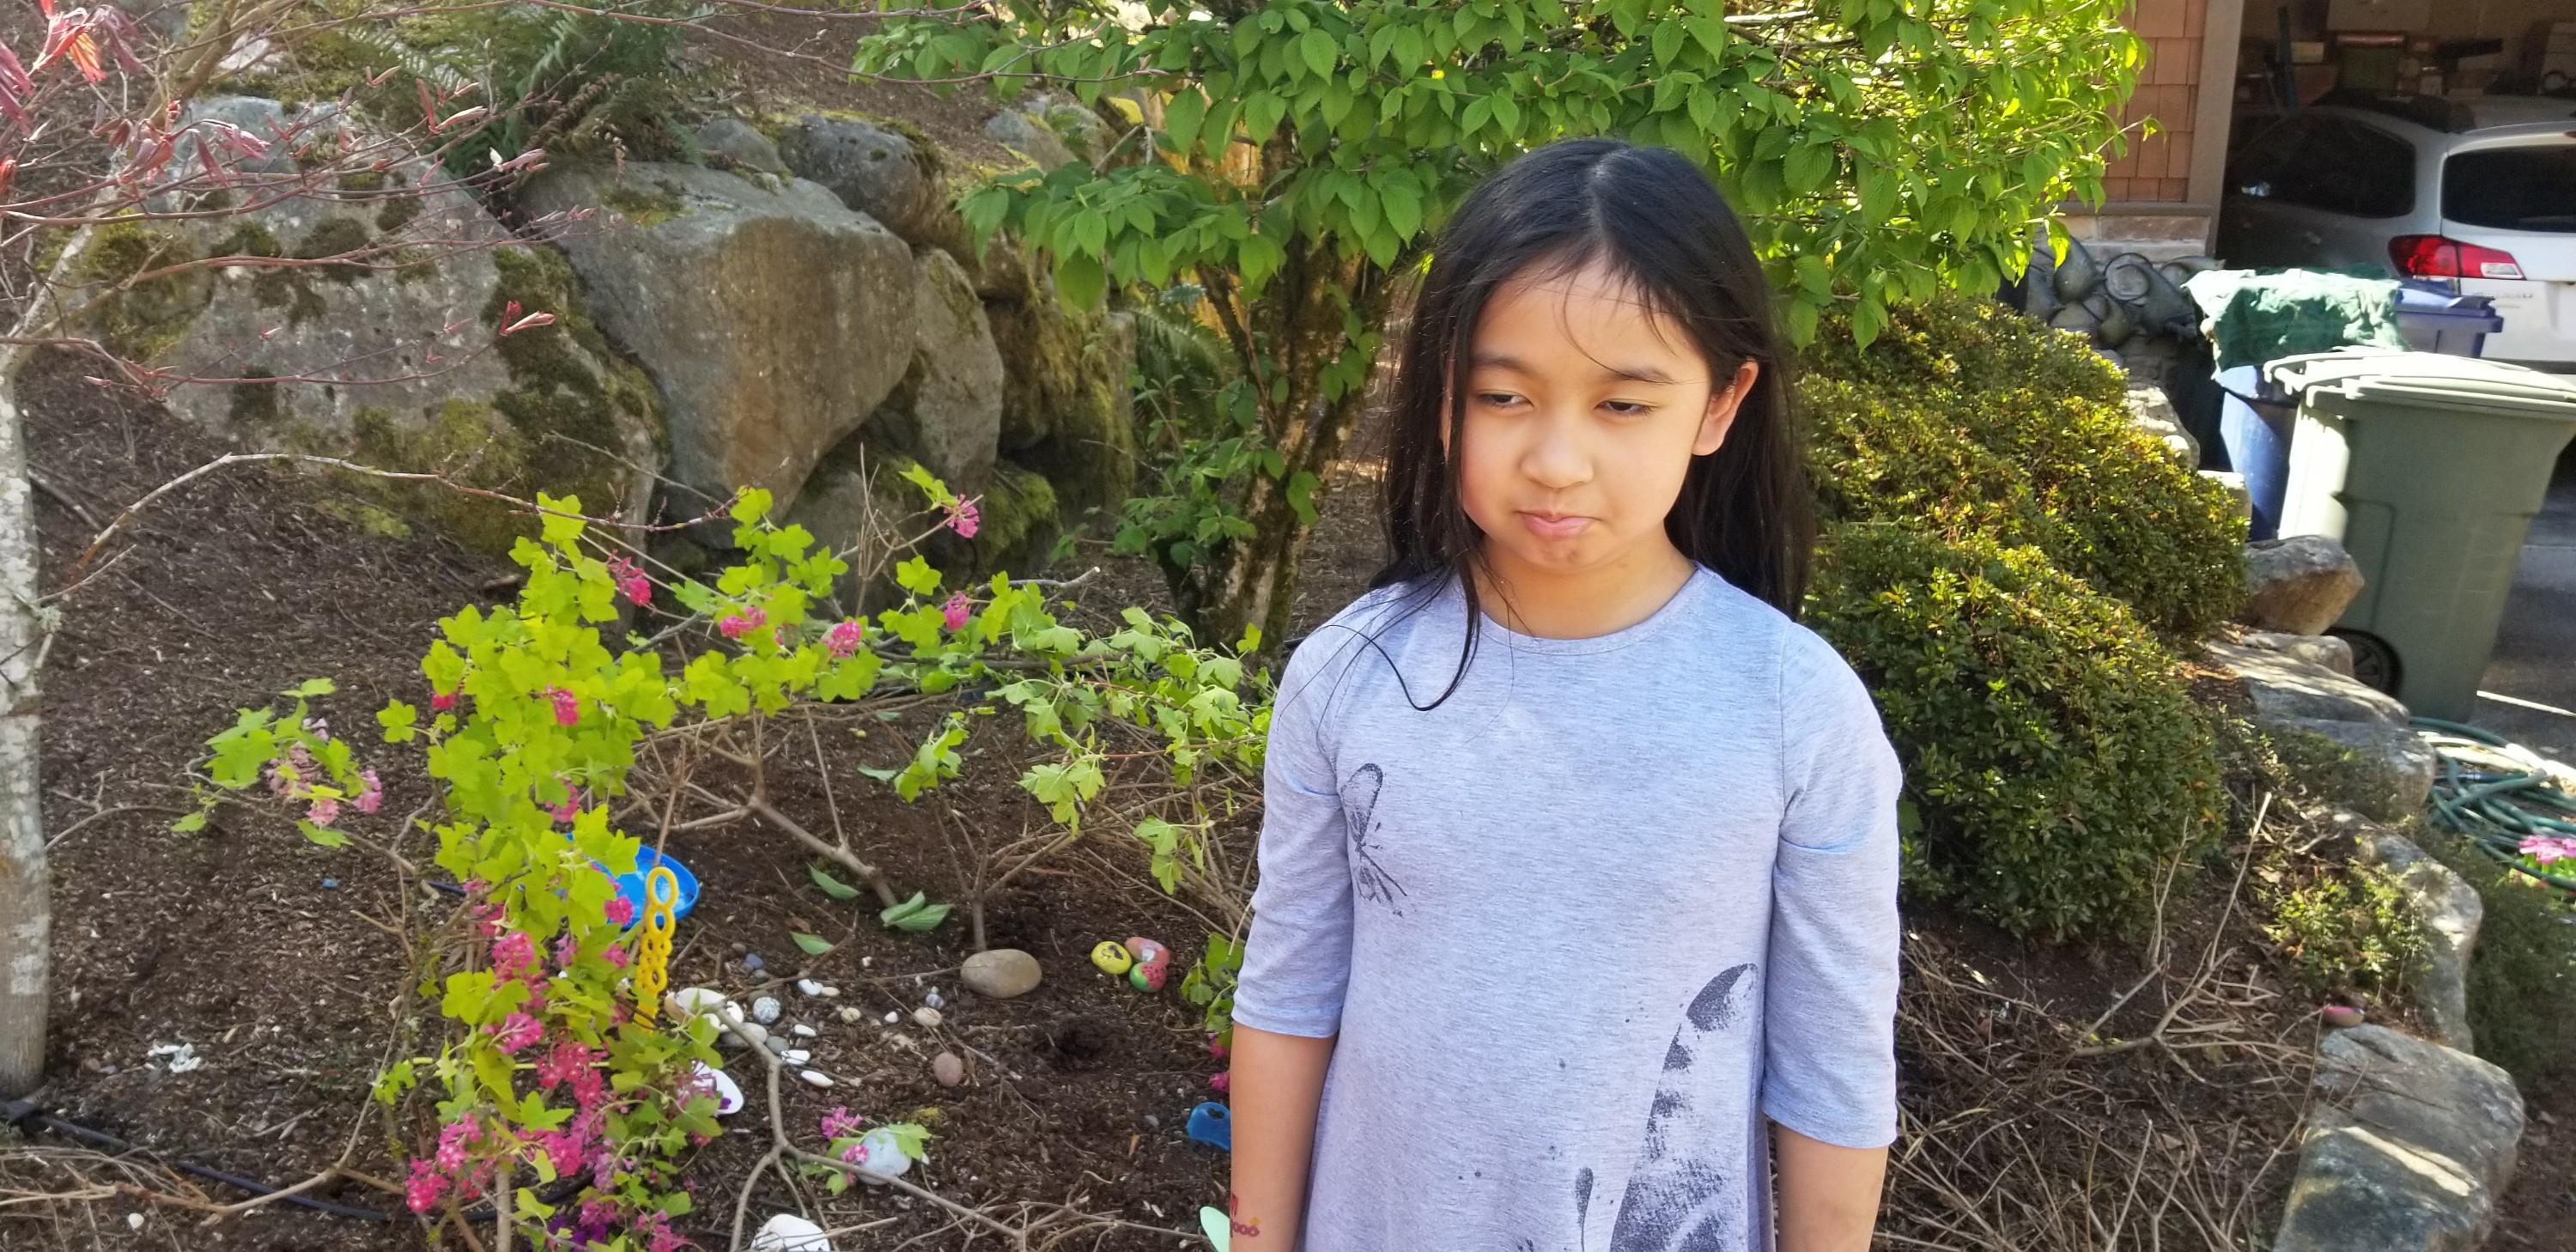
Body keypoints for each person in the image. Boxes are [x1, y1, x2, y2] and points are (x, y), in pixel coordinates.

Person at [1223, 138, 1904, 1251]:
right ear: (1442, 397)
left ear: (1720, 404)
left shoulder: (1797, 713)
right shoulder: (1350, 677)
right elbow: (1288, 999)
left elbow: (1832, 1076)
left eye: (1623, 405)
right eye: (1504, 395)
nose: (1556, 459)